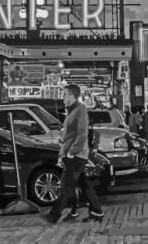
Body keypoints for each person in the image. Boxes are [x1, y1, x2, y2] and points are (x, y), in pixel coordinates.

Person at [43, 84, 103, 224]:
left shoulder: (80, 110)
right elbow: (70, 134)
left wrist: (71, 152)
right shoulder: (72, 111)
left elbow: (82, 134)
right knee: (84, 184)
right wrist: (62, 153)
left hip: (76, 155)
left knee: (66, 185)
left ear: (72, 96)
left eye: (64, 94)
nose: (62, 97)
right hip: (73, 154)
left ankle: (54, 215)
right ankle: (97, 211)